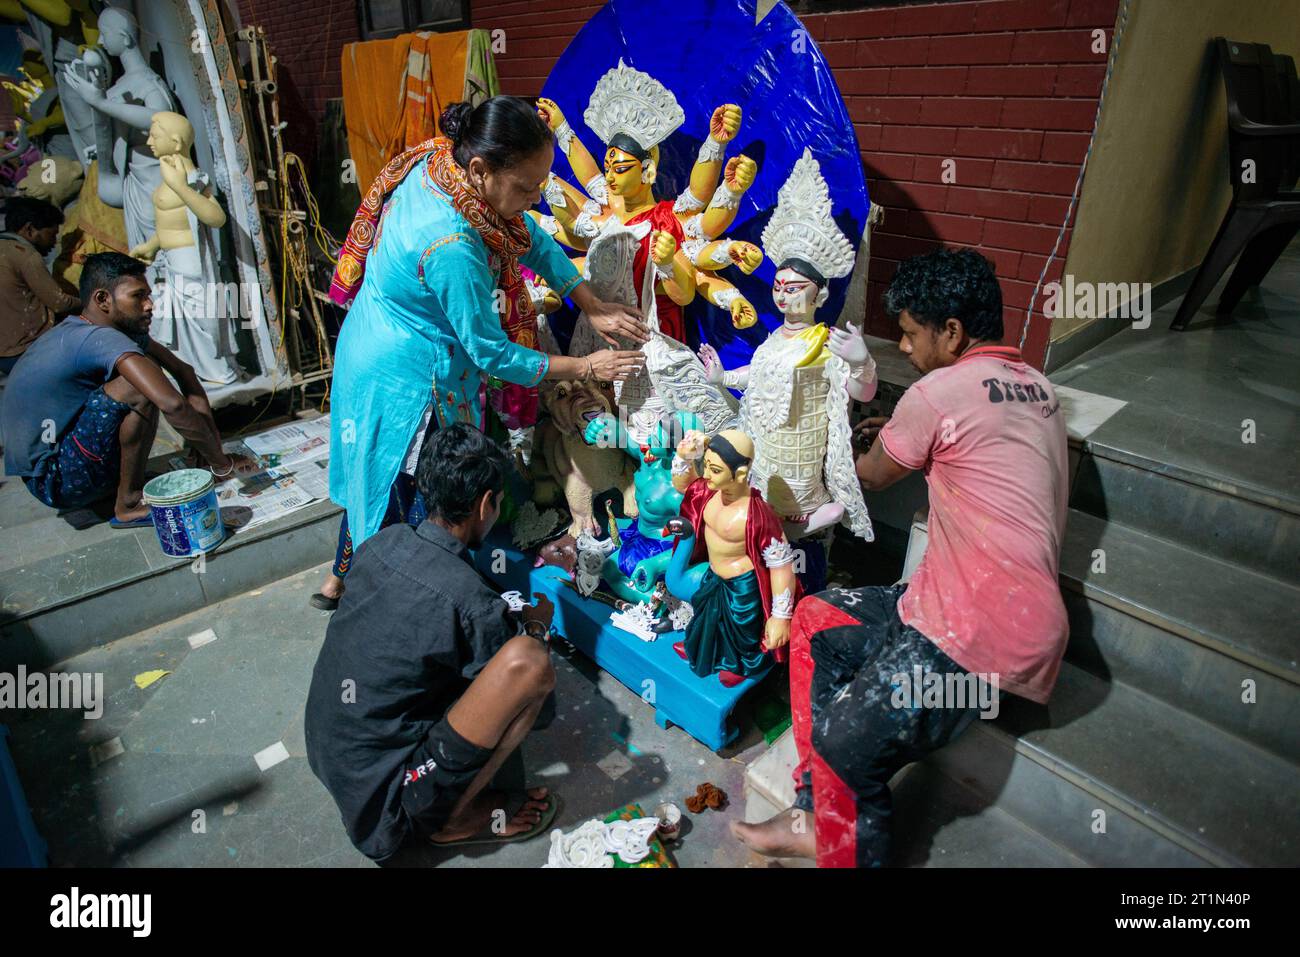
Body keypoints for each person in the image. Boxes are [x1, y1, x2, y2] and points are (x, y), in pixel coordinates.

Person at [733, 248, 1070, 867]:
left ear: (951, 332)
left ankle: (847, 847)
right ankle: (812, 812)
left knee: (844, 741)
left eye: (912, 335)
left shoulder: (939, 391)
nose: (906, 351)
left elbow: (867, 475)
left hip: (977, 637)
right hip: (969, 608)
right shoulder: (1039, 388)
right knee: (813, 620)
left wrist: (846, 444)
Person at [313, 95, 648, 610]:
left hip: (378, 337)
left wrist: (590, 302)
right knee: (413, 498)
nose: (536, 199)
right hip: (402, 375)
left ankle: (337, 581)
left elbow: (528, 235)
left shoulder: (443, 162)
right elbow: (492, 353)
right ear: (481, 169)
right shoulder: (451, 245)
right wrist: (585, 366)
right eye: (526, 187)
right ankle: (406, 604)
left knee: (372, 477)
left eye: (542, 184)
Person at [305, 423, 560, 863]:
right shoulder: (471, 601)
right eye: (498, 504)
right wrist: (535, 630)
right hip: (386, 809)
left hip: (333, 759)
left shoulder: (383, 542)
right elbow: (541, 713)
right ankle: (452, 822)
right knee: (529, 663)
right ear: (485, 505)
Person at [1, 252, 256, 524]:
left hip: (59, 460)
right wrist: (222, 464)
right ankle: (129, 503)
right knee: (140, 386)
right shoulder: (98, 338)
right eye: (138, 296)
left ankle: (124, 487)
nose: (149, 305)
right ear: (103, 300)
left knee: (145, 377)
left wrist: (211, 450)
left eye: (148, 295)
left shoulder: (101, 328)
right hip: (54, 479)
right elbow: (172, 403)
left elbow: (185, 372)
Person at [0, 196, 80, 375]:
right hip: (25, 350)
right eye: (51, 235)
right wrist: (89, 302)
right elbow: (60, 303)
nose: (53, 243)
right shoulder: (25, 255)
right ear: (29, 229)